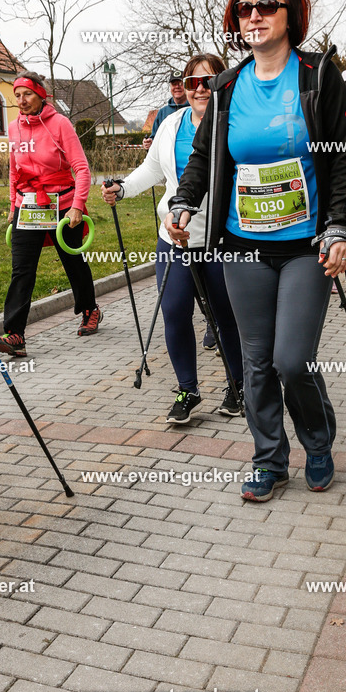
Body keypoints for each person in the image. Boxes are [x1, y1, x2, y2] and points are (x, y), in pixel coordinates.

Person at [165, 0, 346, 499]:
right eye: (245, 9)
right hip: (243, 245)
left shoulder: (320, 76)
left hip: (305, 246)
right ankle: (269, 459)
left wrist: (340, 227)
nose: (255, 15)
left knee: (292, 360)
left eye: (266, 6)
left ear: (290, 14)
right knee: (255, 360)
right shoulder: (226, 87)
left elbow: (344, 159)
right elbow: (205, 156)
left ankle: (317, 444)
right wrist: (184, 202)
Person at [103, 54, 244, 423]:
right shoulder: (172, 124)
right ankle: (188, 389)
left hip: (219, 238)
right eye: (192, 81)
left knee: (224, 315)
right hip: (173, 238)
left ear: (222, 84)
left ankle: (238, 384)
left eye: (208, 80)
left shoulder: (236, 124)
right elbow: (151, 169)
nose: (199, 88)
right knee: (174, 311)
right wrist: (122, 188)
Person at [0, 73, 102, 355]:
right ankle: (14, 334)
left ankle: (90, 309)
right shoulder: (15, 127)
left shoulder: (60, 124)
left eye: (26, 94)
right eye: (16, 96)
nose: (21, 101)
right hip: (28, 205)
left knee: (73, 262)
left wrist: (78, 204)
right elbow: (14, 168)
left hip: (63, 202)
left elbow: (81, 168)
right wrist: (11, 205)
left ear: (41, 95)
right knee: (22, 270)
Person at [142, 73, 187, 150]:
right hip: (167, 159)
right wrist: (149, 143)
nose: (177, 87)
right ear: (170, 87)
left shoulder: (194, 109)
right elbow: (155, 138)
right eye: (174, 84)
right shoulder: (162, 112)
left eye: (180, 83)